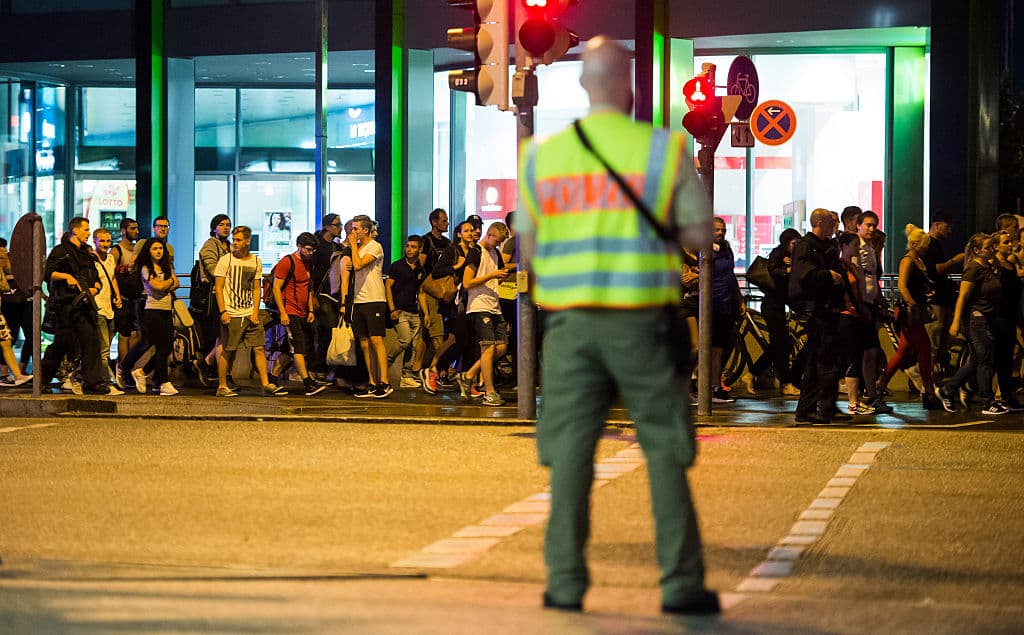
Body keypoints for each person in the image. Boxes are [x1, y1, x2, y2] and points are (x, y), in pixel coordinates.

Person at [517, 37, 718, 615]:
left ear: (583, 83)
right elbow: (701, 237)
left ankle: (564, 583)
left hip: (570, 327)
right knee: (664, 451)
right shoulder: (664, 150)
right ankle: (680, 586)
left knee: (571, 452)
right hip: (644, 325)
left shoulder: (541, 156)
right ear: (628, 85)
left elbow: (528, 248)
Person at [41, 217, 114, 394]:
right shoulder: (61, 251)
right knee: (62, 344)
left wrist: (95, 288)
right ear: (75, 230)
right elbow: (48, 273)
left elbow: (97, 279)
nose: (89, 233)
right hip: (65, 306)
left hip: (85, 305)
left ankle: (93, 382)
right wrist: (67, 277)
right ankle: (43, 379)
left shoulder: (86, 254)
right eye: (86, 230)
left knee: (91, 343)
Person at [790, 208, 850, 425]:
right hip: (818, 311)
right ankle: (818, 409)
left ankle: (814, 409)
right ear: (821, 222)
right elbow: (803, 275)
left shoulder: (825, 246)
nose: (834, 225)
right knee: (822, 363)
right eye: (831, 221)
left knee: (820, 363)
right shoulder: (806, 246)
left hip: (827, 309)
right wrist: (828, 275)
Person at [936, 233, 1006, 415]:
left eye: (992, 246)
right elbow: (963, 297)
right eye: (988, 247)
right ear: (976, 250)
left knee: (976, 361)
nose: (992, 250)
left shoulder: (989, 267)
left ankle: (947, 390)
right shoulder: (973, 269)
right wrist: (956, 322)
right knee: (985, 360)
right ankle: (987, 401)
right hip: (976, 320)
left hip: (988, 319)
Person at [214, 225, 287, 397]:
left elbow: (256, 288)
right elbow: (219, 287)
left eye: (239, 240)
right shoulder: (226, 260)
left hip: (248, 312)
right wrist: (223, 311)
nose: (235, 243)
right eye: (234, 240)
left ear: (247, 241)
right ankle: (222, 385)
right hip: (232, 312)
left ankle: (265, 383)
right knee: (228, 349)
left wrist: (255, 311)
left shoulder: (255, 261)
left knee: (259, 347)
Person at [878, 225, 942, 409]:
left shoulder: (918, 259)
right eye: (925, 244)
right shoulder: (908, 261)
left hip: (914, 310)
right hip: (909, 313)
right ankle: (928, 391)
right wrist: (913, 304)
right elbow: (902, 286)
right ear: (915, 244)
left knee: (902, 353)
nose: (928, 247)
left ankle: (879, 386)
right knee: (924, 349)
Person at [458, 222, 511, 406]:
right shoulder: (476, 252)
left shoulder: (495, 254)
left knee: (502, 347)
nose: (498, 245)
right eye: (497, 241)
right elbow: (467, 282)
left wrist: (500, 277)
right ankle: (489, 391)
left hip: (494, 304)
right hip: (479, 305)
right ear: (489, 235)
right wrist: (492, 275)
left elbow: (498, 274)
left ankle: (470, 374)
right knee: (488, 348)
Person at [745, 228, 802, 397]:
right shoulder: (778, 254)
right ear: (786, 242)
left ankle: (753, 374)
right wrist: (788, 269)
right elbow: (773, 271)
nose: (796, 245)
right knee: (780, 344)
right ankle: (785, 382)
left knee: (780, 345)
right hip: (772, 306)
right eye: (793, 243)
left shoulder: (791, 257)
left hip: (778, 305)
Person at [270, 232, 327, 396]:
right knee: (299, 348)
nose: (310, 253)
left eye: (312, 250)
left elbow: (308, 289)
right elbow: (276, 288)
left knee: (289, 350)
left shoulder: (309, 264)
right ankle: (307, 383)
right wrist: (283, 312)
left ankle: (272, 379)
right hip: (290, 311)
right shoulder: (287, 262)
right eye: (307, 249)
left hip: (302, 312)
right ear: (299, 246)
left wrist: (310, 310)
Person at [119, 238, 179, 396]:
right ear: (148, 251)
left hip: (167, 309)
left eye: (160, 248)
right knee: (155, 346)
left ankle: (142, 372)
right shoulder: (145, 268)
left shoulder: (166, 266)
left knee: (166, 348)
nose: (159, 251)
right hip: (152, 310)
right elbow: (157, 286)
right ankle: (163, 382)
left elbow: (176, 283)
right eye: (155, 248)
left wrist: (167, 282)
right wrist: (169, 282)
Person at [848, 211, 889, 414]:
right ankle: (867, 396)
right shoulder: (858, 248)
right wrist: (862, 305)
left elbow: (872, 278)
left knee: (871, 352)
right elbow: (857, 277)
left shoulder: (871, 248)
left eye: (874, 225)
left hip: (869, 304)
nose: (872, 229)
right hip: (860, 306)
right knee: (865, 352)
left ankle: (871, 394)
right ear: (859, 225)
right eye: (868, 225)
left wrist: (879, 299)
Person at [347, 216, 392, 398]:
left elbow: (358, 265)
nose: (353, 232)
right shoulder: (357, 248)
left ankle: (385, 381)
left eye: (356, 229)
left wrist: (352, 247)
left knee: (376, 340)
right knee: (364, 342)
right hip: (359, 299)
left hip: (374, 298)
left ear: (365, 230)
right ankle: (372, 381)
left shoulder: (375, 246)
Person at [919, 213, 964, 378]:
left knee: (940, 342)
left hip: (943, 300)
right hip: (935, 302)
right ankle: (924, 378)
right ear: (936, 225)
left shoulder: (936, 244)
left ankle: (929, 376)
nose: (950, 231)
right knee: (933, 343)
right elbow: (933, 270)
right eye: (947, 226)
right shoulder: (929, 244)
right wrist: (954, 261)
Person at [386, 235, 425, 388]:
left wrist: (425, 313)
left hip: (414, 311)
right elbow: (387, 286)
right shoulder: (397, 266)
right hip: (400, 310)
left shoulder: (420, 268)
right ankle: (387, 361)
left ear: (419, 249)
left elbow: (420, 291)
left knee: (414, 345)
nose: (409, 249)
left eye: (413, 247)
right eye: (408, 246)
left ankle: (406, 375)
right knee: (405, 340)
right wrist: (392, 309)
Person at [709, 217, 742, 403]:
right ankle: (712, 387)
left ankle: (715, 385)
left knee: (722, 347)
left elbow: (730, 276)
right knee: (713, 348)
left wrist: (739, 299)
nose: (720, 233)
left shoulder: (726, 250)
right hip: (712, 303)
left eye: (723, 230)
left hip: (726, 303)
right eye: (716, 230)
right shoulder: (705, 251)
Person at [991, 229, 1024, 411]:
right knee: (997, 358)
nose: (1010, 245)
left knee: (1007, 359)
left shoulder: (1011, 265)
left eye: (1011, 241)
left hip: (1012, 316)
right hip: (999, 317)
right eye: (1006, 242)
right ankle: (961, 387)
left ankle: (1006, 395)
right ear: (996, 246)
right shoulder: (995, 266)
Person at [309, 213, 343, 382]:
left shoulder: (336, 247)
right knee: (326, 331)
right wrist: (311, 295)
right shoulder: (318, 246)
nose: (341, 227)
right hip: (320, 294)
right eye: (337, 224)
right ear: (327, 227)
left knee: (329, 332)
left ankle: (324, 367)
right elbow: (309, 270)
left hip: (333, 294)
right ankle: (318, 368)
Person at [197, 214, 231, 375]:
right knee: (221, 336)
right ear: (214, 227)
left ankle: (208, 363)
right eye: (222, 224)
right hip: (215, 296)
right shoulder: (211, 245)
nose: (226, 227)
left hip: (228, 296)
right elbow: (212, 269)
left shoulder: (229, 246)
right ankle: (214, 369)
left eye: (228, 224)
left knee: (225, 337)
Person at [92, 228, 125, 390]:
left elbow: (112, 278)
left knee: (105, 345)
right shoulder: (91, 259)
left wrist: (117, 296)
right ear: (95, 241)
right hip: (97, 308)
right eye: (102, 241)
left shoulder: (111, 258)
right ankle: (106, 382)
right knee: (104, 348)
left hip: (109, 307)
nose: (105, 244)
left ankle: (79, 374)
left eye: (107, 241)